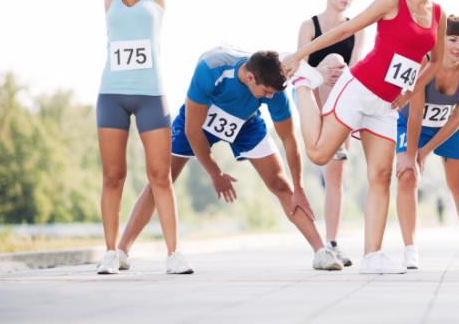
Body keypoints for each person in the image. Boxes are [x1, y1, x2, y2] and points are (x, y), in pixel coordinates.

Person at [282, 0, 451, 274]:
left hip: (386, 105)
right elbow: (346, 29)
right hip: (358, 89)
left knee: (381, 175)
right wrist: (300, 55)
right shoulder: (392, 2)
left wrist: (410, 90)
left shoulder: (439, 14)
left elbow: (436, 60)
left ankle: (372, 257)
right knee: (319, 154)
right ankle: (305, 84)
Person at [117, 47, 342, 271]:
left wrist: (300, 187)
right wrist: (215, 173)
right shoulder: (211, 68)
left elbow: (289, 139)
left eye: (273, 93)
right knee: (161, 179)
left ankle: (321, 252)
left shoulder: (274, 87)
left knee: (281, 184)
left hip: (246, 122)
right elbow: (193, 131)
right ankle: (122, 251)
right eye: (266, 92)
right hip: (201, 120)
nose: (270, 97)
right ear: (250, 77)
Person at [77, 0, 191, 275]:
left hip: (151, 96)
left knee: (160, 176)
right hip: (112, 95)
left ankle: (174, 255)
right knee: (113, 176)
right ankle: (112, 252)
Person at [396, 15, 459, 269]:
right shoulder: (423, 63)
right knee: (407, 175)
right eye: (452, 39)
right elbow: (415, 113)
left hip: (448, 128)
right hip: (410, 123)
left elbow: (458, 117)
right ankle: (410, 249)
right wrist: (414, 154)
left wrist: (426, 151)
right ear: (440, 39)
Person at [296, 0, 366, 267]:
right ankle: (325, 128)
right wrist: (324, 73)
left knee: (335, 178)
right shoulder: (309, 26)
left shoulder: (357, 28)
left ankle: (333, 242)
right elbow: (300, 64)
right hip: (312, 96)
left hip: (340, 100)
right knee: (332, 62)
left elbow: (356, 68)